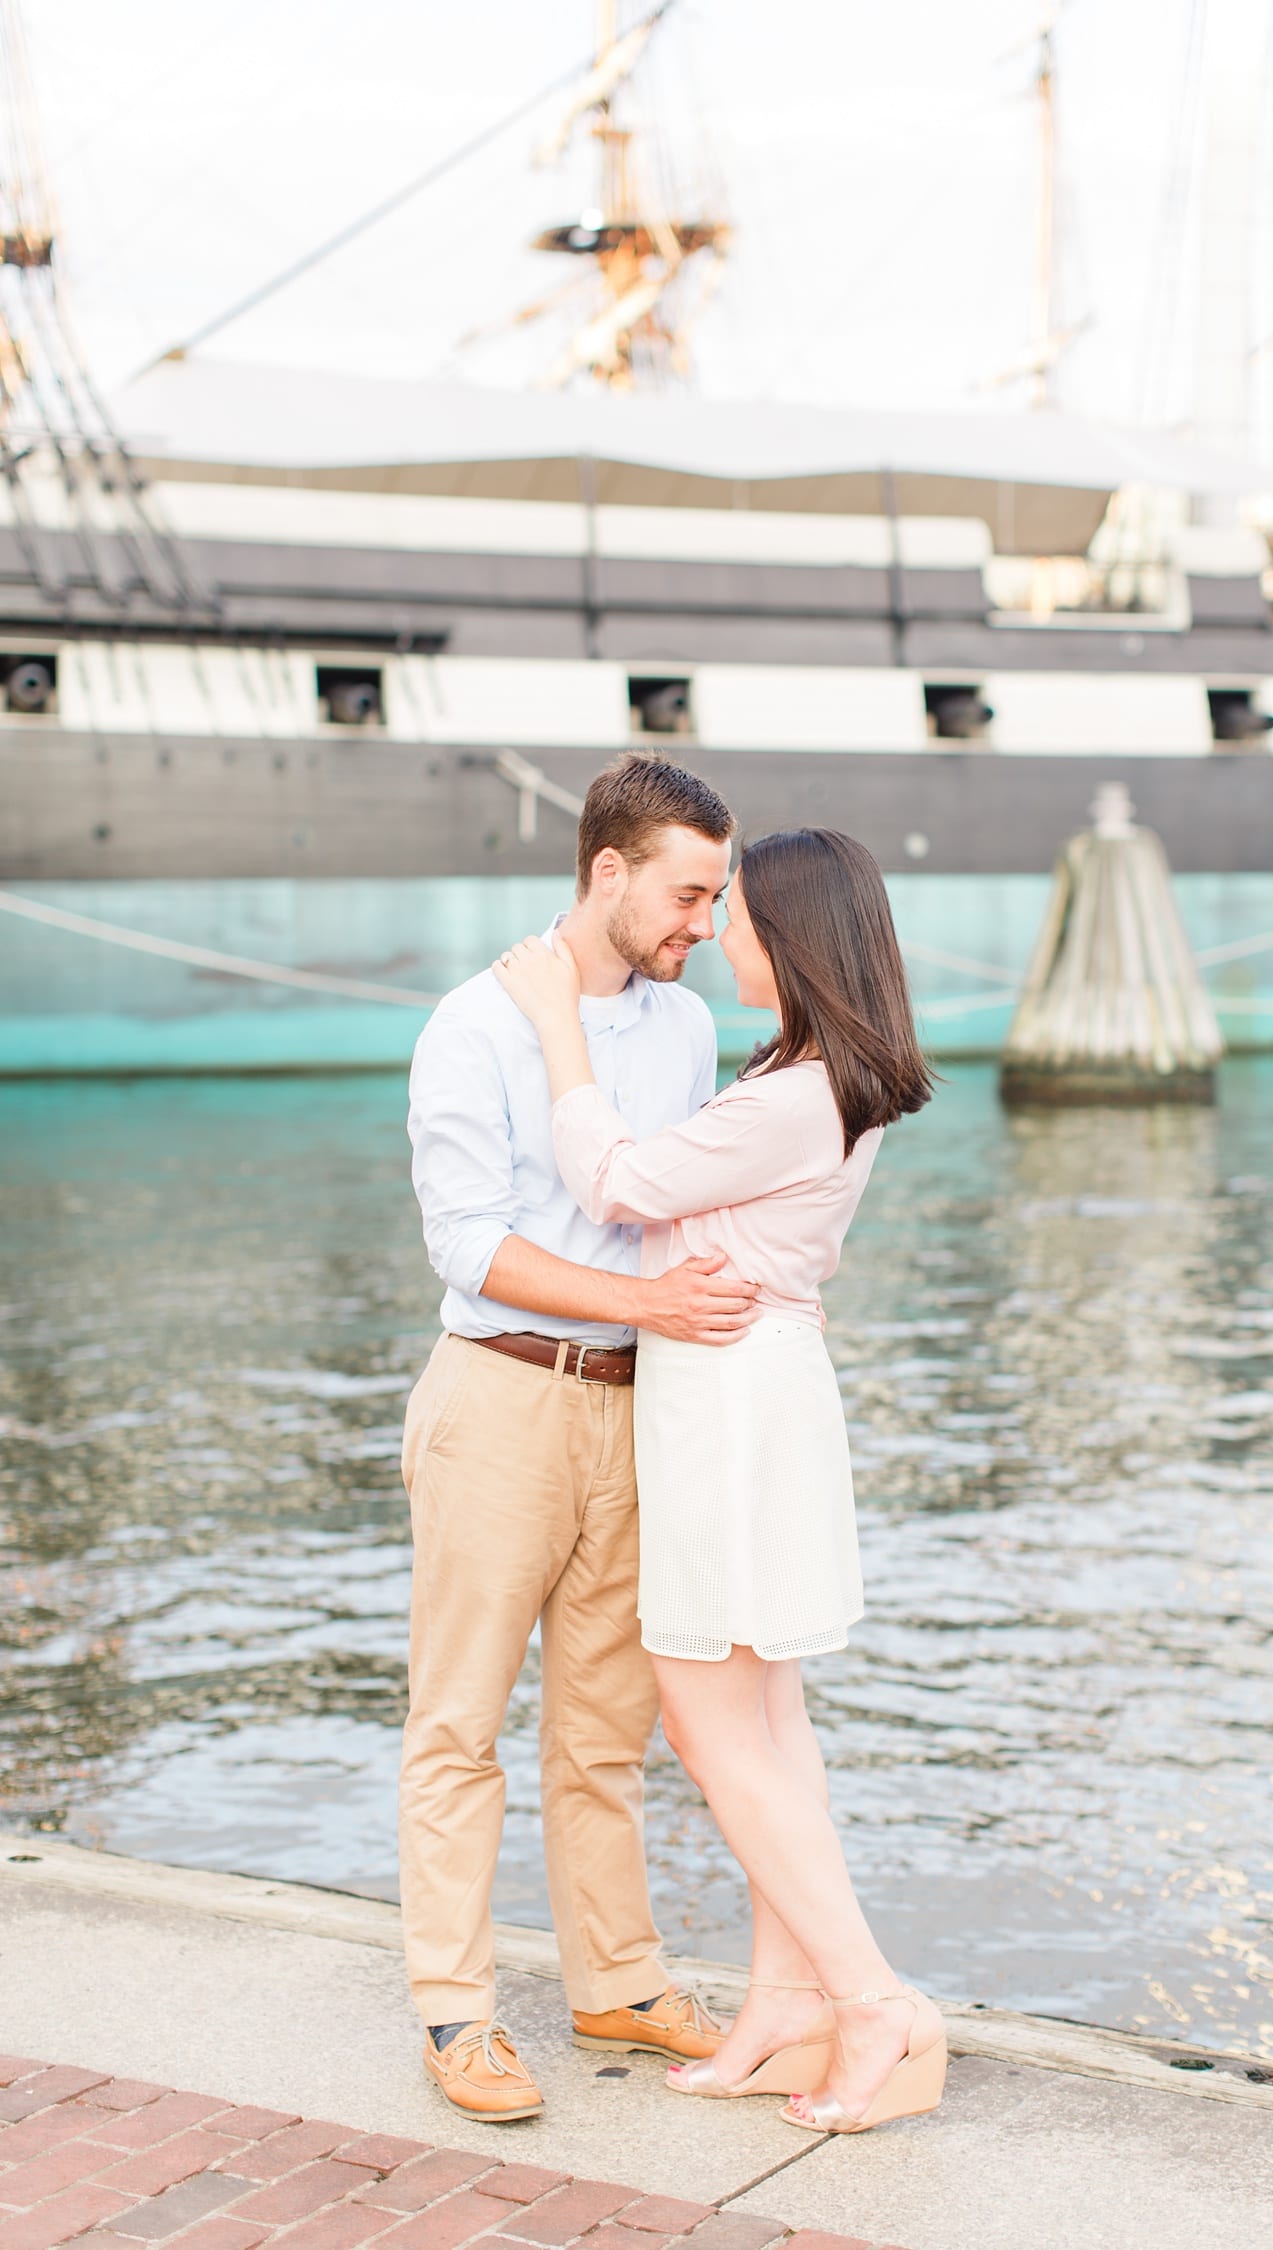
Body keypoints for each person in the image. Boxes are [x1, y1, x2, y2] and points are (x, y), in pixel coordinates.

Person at [492, 826, 948, 2136]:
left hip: (733, 1411)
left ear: (791, 937)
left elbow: (619, 1181)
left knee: (705, 1719)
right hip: (760, 1392)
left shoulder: (792, 1093)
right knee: (767, 1721)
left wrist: (557, 1026)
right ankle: (785, 1999)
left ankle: (869, 2001)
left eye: (735, 910)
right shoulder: (816, 1078)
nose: (715, 929)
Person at [400, 751, 749, 2122]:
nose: (705, 924)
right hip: (500, 1395)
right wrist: (647, 1298)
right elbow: (470, 1243)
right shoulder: (469, 1024)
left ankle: (617, 1975)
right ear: (607, 872)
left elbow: (665, 1195)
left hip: (635, 1403)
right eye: (686, 893)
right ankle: (455, 2008)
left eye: (717, 898)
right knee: (461, 1719)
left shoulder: (681, 1026)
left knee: (608, 1726)